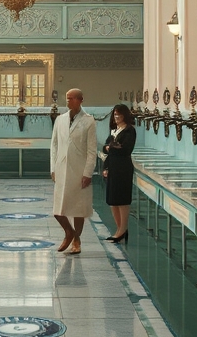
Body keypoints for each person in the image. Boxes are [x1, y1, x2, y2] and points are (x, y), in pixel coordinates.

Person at [50, 88, 97, 254]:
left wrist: (88, 173)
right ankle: (68, 231)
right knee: (58, 209)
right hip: (62, 168)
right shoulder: (61, 119)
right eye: (67, 98)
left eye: (71, 99)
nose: (68, 101)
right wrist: (53, 167)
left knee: (78, 208)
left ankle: (76, 239)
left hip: (79, 169)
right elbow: (54, 145)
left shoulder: (89, 121)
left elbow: (92, 150)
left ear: (80, 100)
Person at [102, 103, 136, 242]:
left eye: (119, 115)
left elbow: (126, 150)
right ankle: (119, 229)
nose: (116, 117)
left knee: (122, 199)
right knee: (112, 200)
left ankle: (123, 229)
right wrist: (106, 167)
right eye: (115, 115)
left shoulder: (129, 131)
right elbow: (106, 148)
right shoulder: (114, 130)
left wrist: (111, 148)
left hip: (123, 168)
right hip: (113, 166)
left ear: (125, 116)